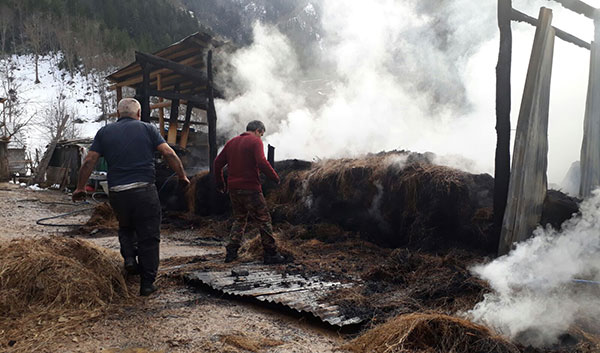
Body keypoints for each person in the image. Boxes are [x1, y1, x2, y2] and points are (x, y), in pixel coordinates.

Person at [73, 98, 190, 296]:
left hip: (118, 192)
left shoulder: (104, 132)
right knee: (149, 236)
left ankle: (129, 258)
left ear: (118, 114)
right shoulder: (148, 129)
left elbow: (89, 160)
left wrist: (79, 187)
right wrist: (182, 176)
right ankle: (147, 284)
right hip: (144, 190)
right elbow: (169, 153)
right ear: (138, 114)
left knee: (126, 227)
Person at [214, 120, 286, 264]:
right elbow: (261, 161)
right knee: (263, 219)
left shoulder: (232, 143)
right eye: (262, 134)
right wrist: (275, 177)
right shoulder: (255, 141)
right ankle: (271, 254)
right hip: (251, 188)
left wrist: (220, 183)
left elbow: (217, 163)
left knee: (239, 219)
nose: (261, 137)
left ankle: (231, 253)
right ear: (258, 130)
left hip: (234, 189)